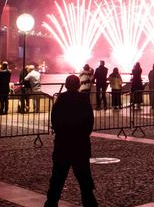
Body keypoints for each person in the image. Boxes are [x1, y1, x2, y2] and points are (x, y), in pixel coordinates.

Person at [45, 74, 97, 207]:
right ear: (78, 85)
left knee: (57, 179)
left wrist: (61, 133)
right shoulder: (83, 100)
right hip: (80, 145)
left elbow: (54, 120)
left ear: (66, 85)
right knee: (85, 179)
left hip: (62, 144)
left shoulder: (60, 99)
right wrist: (84, 135)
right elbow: (89, 121)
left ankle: (51, 204)